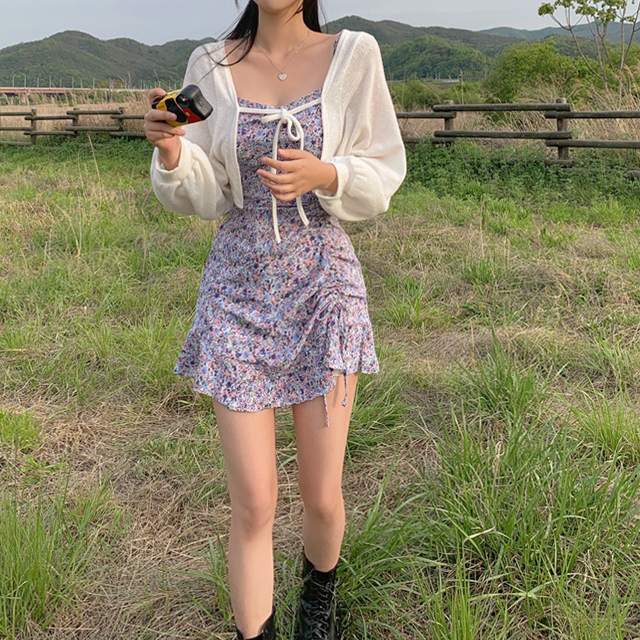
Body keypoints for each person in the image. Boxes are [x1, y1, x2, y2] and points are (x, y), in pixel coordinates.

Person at [144, 1, 406, 638]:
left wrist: (328, 173)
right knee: (254, 503)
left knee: (322, 495)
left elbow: (384, 167)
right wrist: (174, 153)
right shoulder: (211, 66)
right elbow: (209, 191)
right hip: (237, 286)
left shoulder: (354, 55)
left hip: (322, 284)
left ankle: (319, 594)